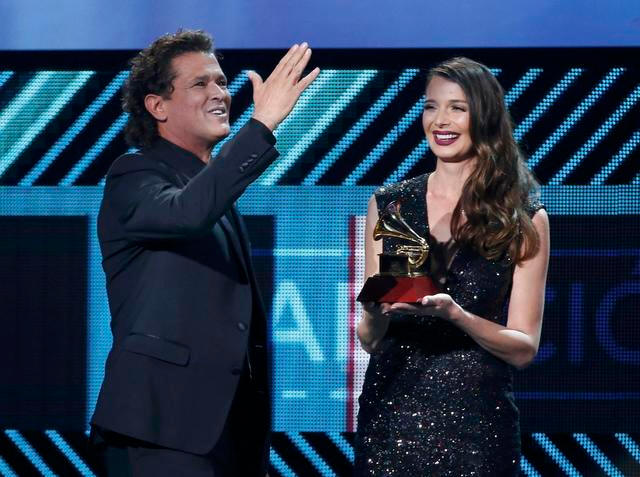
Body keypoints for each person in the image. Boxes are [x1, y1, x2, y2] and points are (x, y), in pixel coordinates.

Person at [89, 30, 319, 476]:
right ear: (157, 106)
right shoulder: (133, 175)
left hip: (226, 435)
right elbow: (186, 214)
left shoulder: (213, 192)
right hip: (160, 430)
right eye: (200, 83)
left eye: (221, 82)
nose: (220, 93)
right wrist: (261, 126)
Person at [354, 57, 550, 476]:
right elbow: (371, 340)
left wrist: (456, 315)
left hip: (477, 429)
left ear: (485, 116)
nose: (440, 121)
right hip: (390, 421)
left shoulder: (522, 218)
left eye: (457, 108)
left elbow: (523, 347)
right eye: (431, 106)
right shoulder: (392, 205)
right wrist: (373, 312)